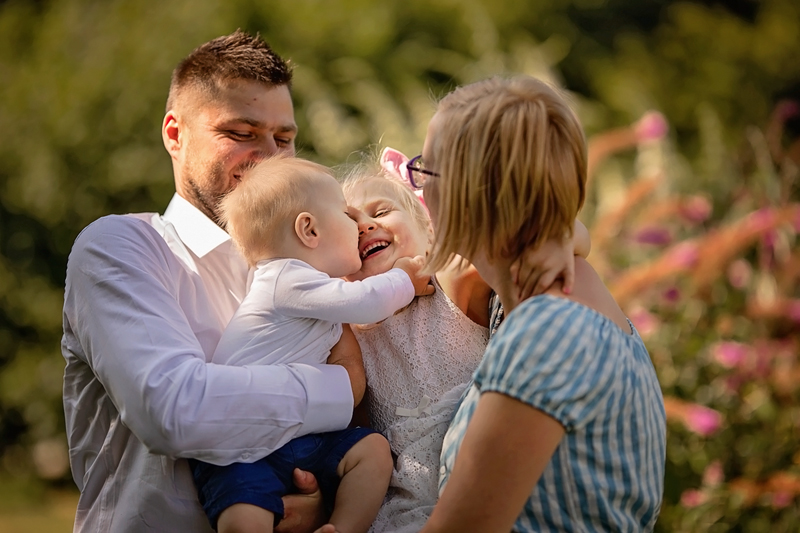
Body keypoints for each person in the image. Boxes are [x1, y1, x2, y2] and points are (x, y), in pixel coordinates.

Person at [62, 31, 351, 532]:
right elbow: (176, 410)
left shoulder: (318, 261)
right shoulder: (120, 248)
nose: (270, 157)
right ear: (175, 135)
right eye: (241, 133)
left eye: (284, 139)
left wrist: (323, 500)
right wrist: (341, 389)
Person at [410, 76, 666, 532]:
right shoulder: (556, 290)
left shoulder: (548, 332)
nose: (417, 188)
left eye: (425, 171)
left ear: (470, 196)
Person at [306, 149, 591, 533]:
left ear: (428, 230)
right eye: (347, 223)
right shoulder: (349, 335)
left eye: (381, 211)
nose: (364, 226)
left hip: (491, 486)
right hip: (407, 509)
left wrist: (567, 240)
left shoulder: (448, 282)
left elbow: (531, 236)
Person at [189, 155, 435, 533]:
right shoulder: (284, 278)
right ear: (309, 230)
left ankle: (341, 528)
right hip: (240, 450)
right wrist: (405, 278)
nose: (359, 226)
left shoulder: (313, 293)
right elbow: (365, 301)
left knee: (371, 450)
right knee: (245, 515)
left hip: (302, 439)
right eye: (346, 215)